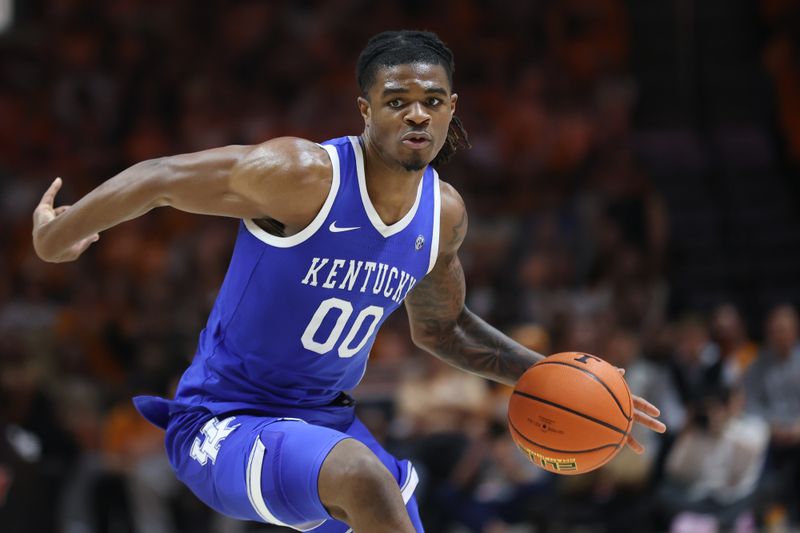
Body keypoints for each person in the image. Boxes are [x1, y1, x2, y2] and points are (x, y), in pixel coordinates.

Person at [31, 30, 665, 533]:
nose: (416, 115)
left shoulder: (442, 215)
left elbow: (441, 328)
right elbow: (163, 176)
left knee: (378, 490)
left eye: (432, 102)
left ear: (451, 111)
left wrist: (553, 377)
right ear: (367, 110)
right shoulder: (303, 175)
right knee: (365, 479)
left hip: (327, 427)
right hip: (225, 419)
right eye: (397, 102)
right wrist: (60, 235)